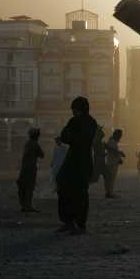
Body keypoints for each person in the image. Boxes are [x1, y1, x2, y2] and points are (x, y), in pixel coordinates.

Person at [55, 96, 98, 234]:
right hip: (78, 160)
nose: (73, 112)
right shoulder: (84, 121)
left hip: (79, 161)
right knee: (70, 189)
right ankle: (72, 222)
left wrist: (71, 137)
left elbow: (70, 137)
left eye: (74, 109)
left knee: (76, 192)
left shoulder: (84, 122)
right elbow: (66, 136)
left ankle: (76, 223)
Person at [17, 128, 44, 212]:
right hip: (31, 169)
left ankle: (24, 205)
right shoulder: (35, 144)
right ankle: (27, 206)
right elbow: (42, 155)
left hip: (24, 168)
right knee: (29, 187)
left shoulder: (27, 143)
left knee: (23, 186)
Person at [103, 129, 125, 198]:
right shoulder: (112, 142)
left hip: (112, 162)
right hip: (112, 162)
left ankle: (109, 192)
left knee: (110, 178)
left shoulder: (112, 141)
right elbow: (112, 151)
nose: (120, 136)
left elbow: (112, 150)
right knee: (111, 178)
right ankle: (109, 193)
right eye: (120, 135)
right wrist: (120, 155)